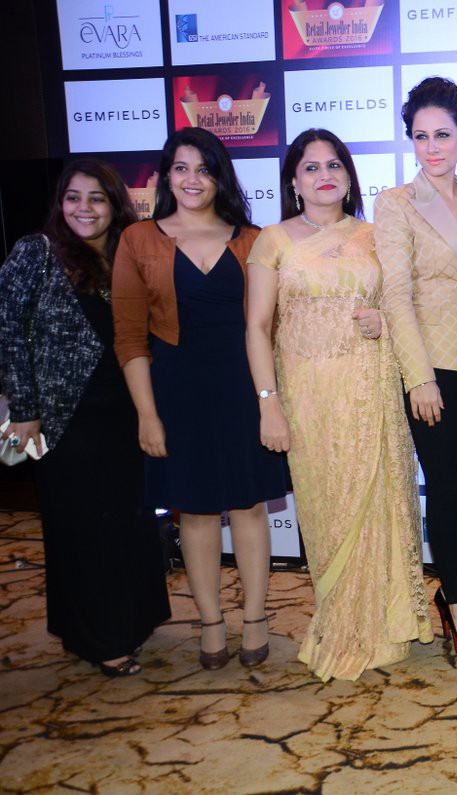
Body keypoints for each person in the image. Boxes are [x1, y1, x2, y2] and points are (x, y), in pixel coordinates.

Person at [245, 129, 434, 681]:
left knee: (379, 503)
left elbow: (408, 307)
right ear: (293, 180)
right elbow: (257, 327)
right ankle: (341, 621)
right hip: (308, 398)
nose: (323, 175)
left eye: (334, 165)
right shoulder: (273, 240)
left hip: (371, 392)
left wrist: (383, 320)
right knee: (328, 511)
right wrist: (268, 404)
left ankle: (383, 624)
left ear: (349, 177)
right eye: (311, 167)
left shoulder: (377, 236)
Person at [112, 128, 288, 671]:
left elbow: (275, 324)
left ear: (220, 177)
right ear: (166, 176)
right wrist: (147, 414)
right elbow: (129, 338)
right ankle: (211, 622)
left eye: (204, 169)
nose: (193, 179)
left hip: (243, 388)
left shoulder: (254, 238)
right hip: (176, 392)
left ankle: (255, 618)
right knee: (194, 512)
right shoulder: (138, 239)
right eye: (182, 168)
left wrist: (271, 400)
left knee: (249, 506)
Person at [0, 160, 170, 677]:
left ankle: (132, 622)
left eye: (96, 198)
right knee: (80, 530)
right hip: (62, 421)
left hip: (126, 414)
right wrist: (24, 413)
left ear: (115, 205)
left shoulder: (128, 254)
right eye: (73, 197)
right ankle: (100, 639)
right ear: (60, 204)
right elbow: (9, 332)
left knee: (129, 524)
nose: (84, 208)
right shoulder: (35, 252)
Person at [374, 77, 457, 665]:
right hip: (433, 369)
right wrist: (418, 377)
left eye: (442, 135)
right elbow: (396, 296)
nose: (432, 147)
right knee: (446, 486)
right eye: (421, 136)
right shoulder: (396, 203)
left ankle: (453, 589)